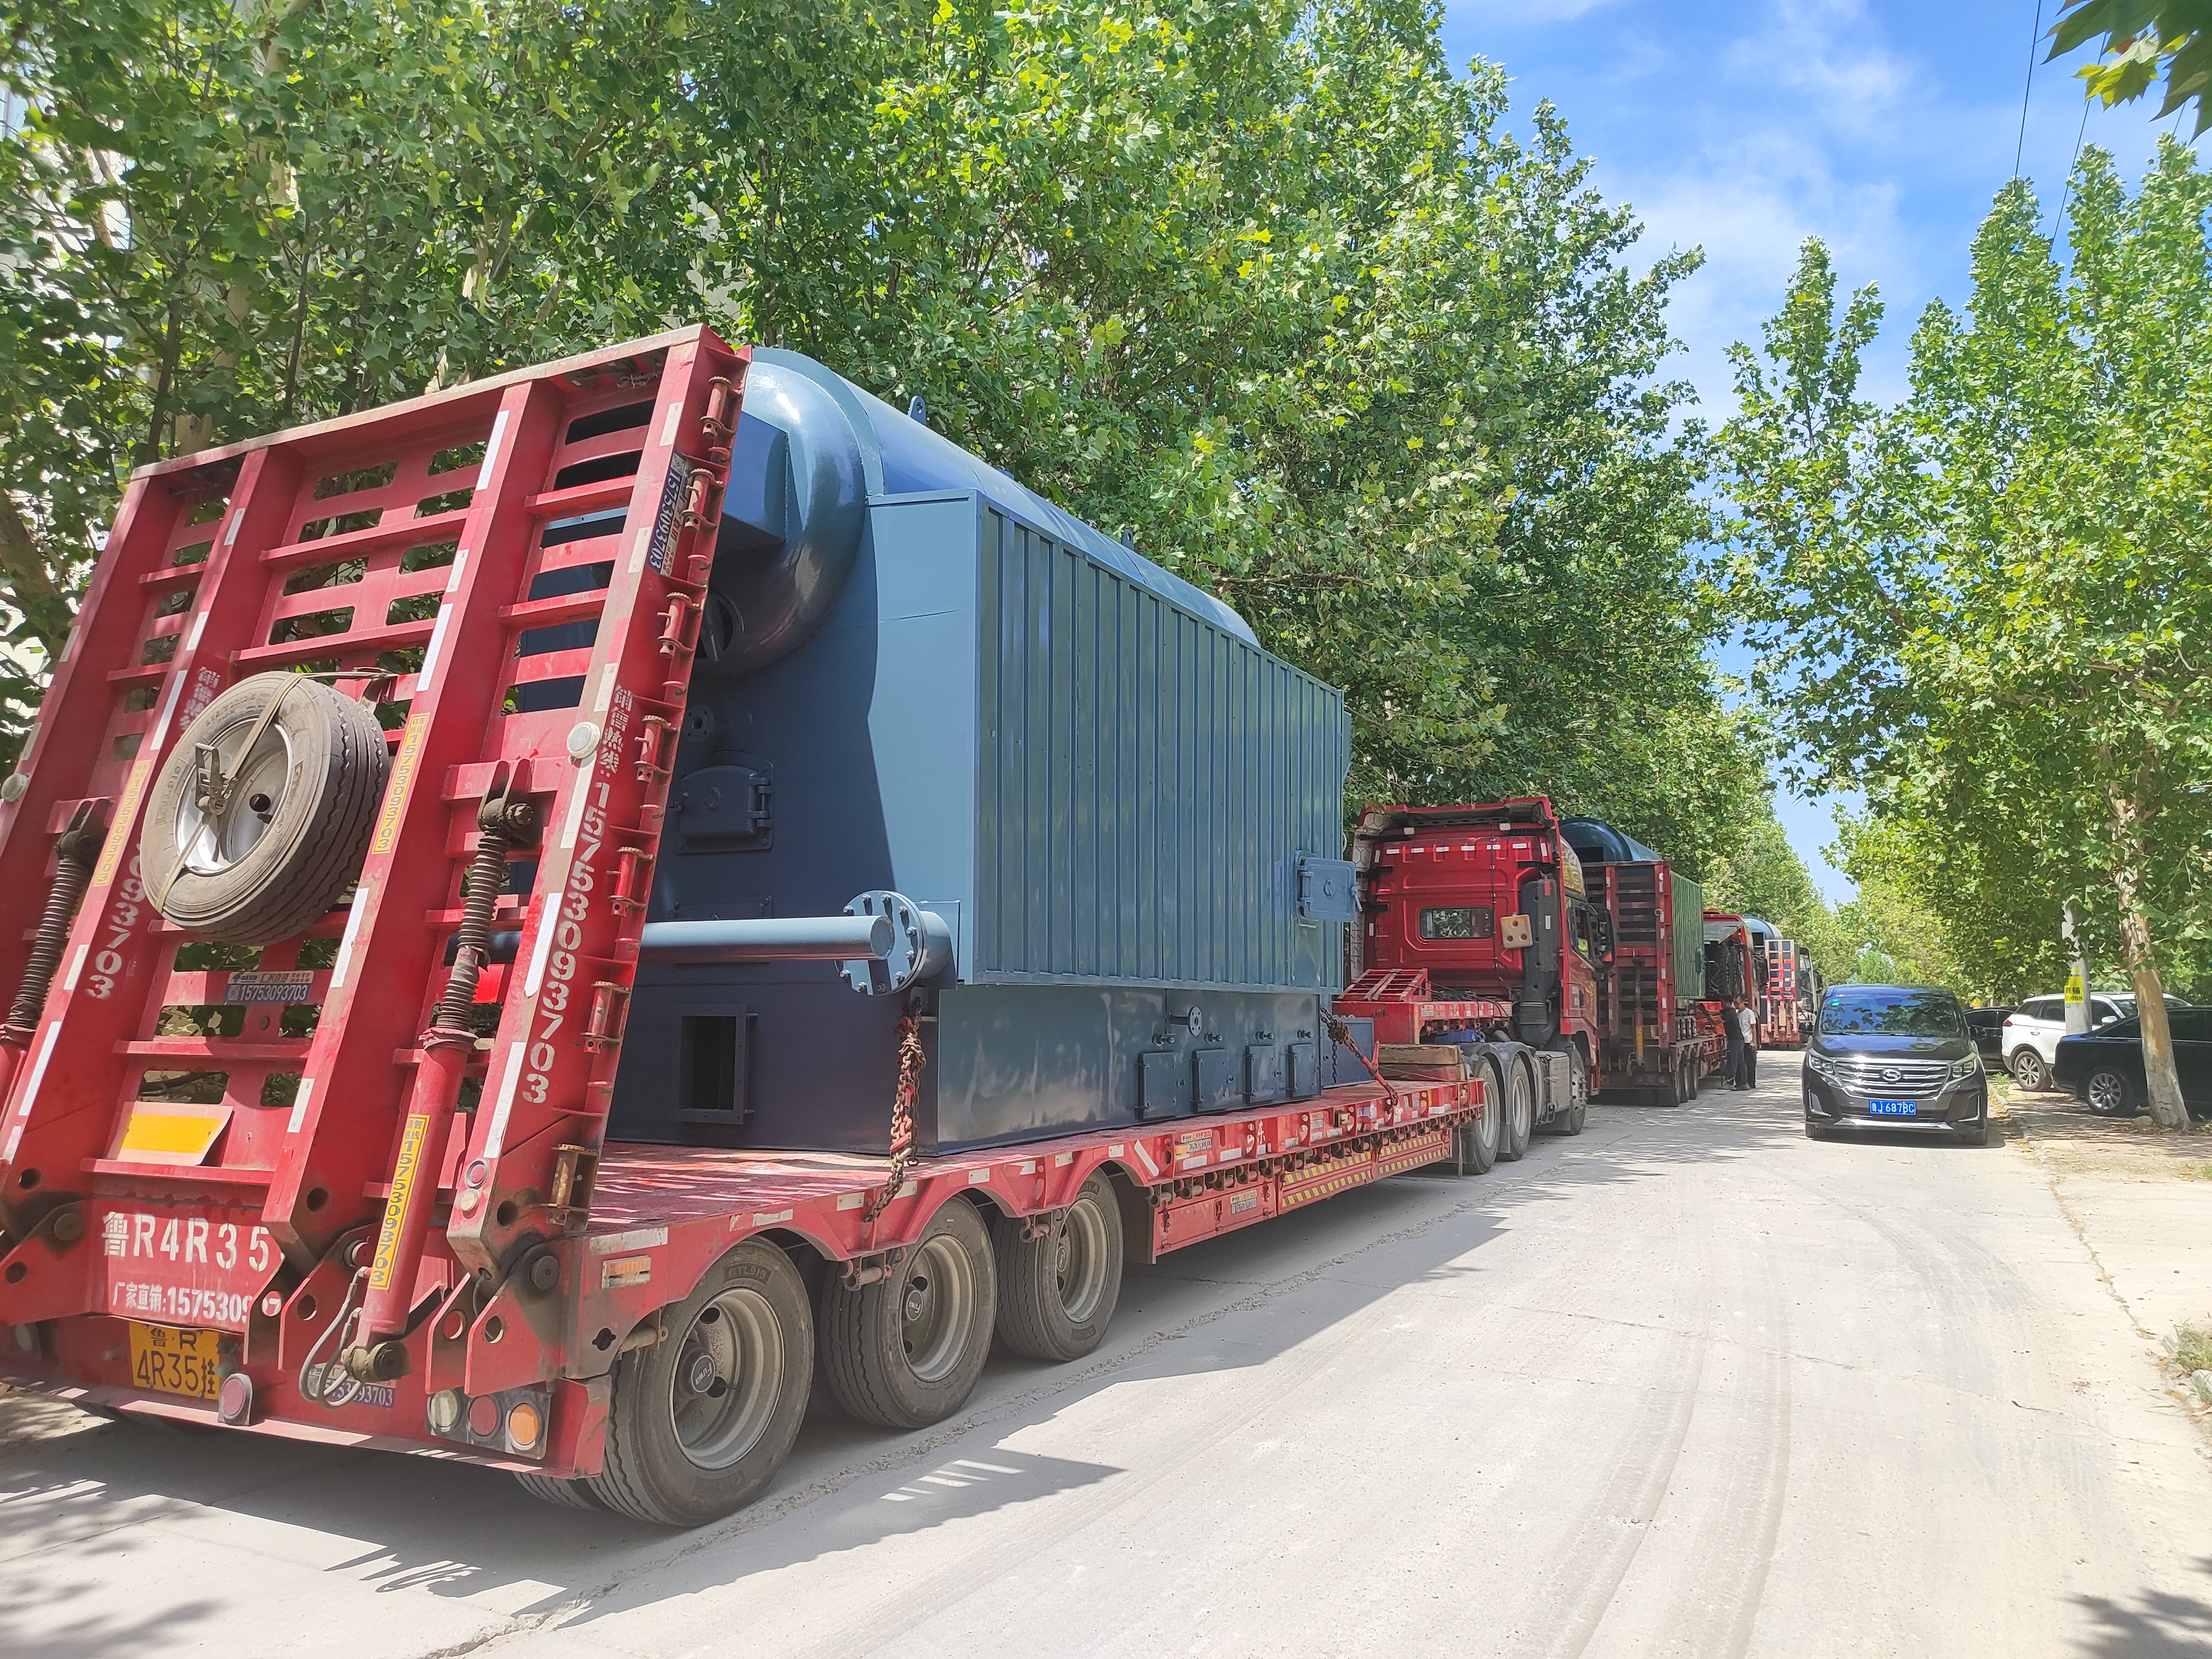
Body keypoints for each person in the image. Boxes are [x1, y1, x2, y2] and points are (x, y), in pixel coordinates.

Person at [1722, 995, 1747, 1089]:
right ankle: (1744, 1083)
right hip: (1739, 1040)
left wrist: (1708, 1016)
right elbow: (1716, 1012)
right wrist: (1707, 1012)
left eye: (1722, 1002)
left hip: (1735, 1041)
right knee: (1741, 1062)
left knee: (1732, 1061)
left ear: (1727, 1003)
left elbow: (1716, 1022)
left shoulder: (1730, 1013)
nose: (1721, 1004)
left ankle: (1730, 1083)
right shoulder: (1730, 1011)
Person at [1736, 997, 1760, 1089]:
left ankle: (1751, 1083)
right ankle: (1741, 1082)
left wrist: (1753, 1041)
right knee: (1741, 1063)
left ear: (1743, 1002)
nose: (1736, 1005)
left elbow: (1753, 1028)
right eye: (1735, 1003)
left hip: (1748, 1041)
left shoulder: (1749, 1013)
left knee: (1750, 1063)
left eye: (1737, 1003)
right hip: (1740, 1040)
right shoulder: (1737, 1014)